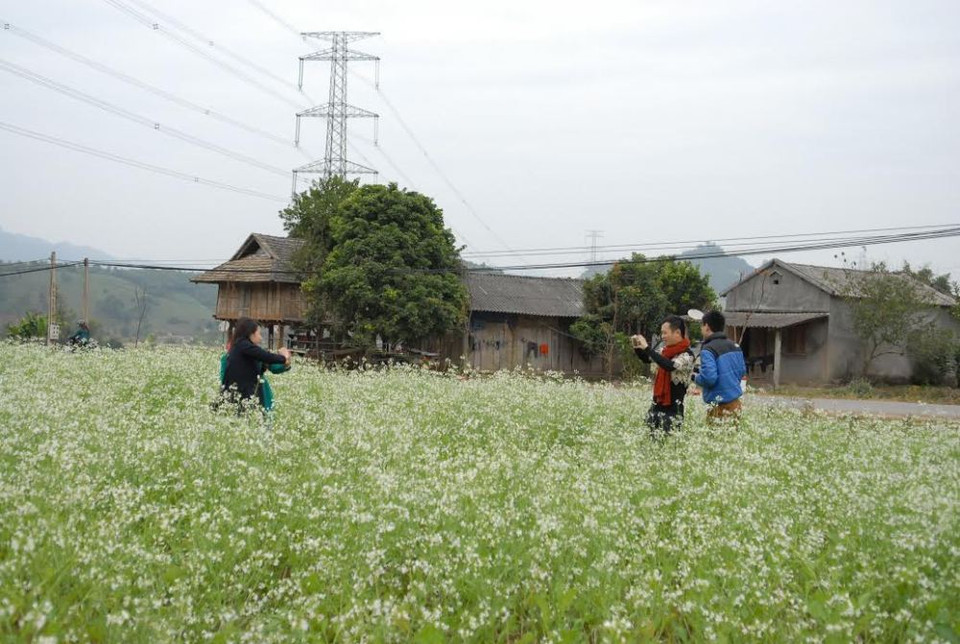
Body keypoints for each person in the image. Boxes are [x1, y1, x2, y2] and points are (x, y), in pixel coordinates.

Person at [632, 315, 696, 436]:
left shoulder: (688, 355)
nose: (662, 336)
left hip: (673, 411)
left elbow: (670, 365)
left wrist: (647, 348)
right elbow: (648, 359)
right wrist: (638, 348)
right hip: (656, 405)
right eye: (662, 333)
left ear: (677, 333)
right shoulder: (664, 351)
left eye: (665, 333)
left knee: (668, 441)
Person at [220, 318, 291, 411]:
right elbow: (266, 356)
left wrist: (286, 363)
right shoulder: (243, 347)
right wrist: (284, 358)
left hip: (250, 393)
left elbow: (272, 365)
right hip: (242, 394)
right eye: (259, 333)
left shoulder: (250, 350)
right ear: (251, 334)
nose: (261, 338)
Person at [694, 310, 747, 423]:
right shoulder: (735, 346)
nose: (701, 329)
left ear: (707, 326)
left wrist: (695, 377)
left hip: (719, 406)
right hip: (736, 403)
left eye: (702, 326)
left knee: (715, 433)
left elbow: (709, 378)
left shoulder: (708, 349)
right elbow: (742, 371)